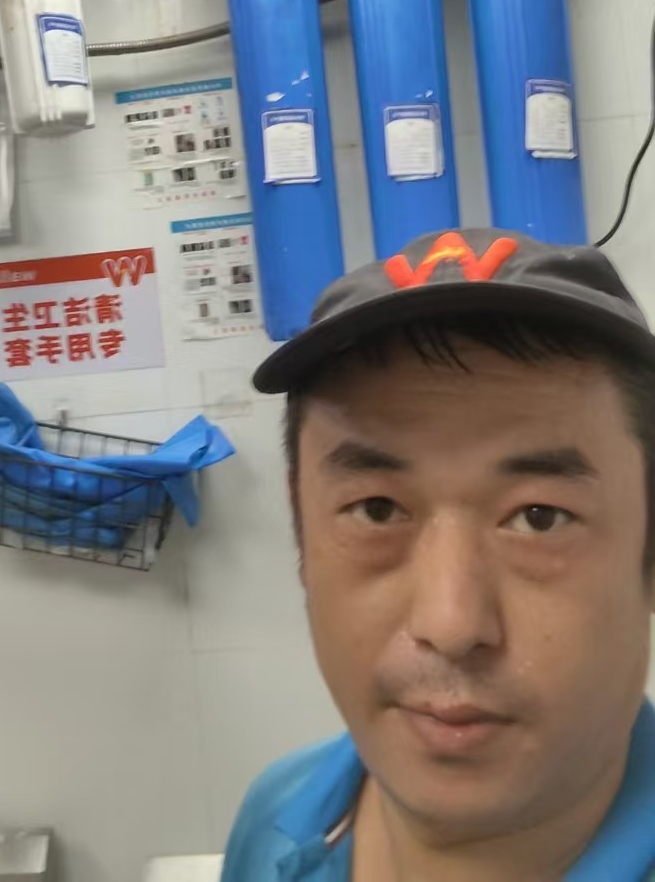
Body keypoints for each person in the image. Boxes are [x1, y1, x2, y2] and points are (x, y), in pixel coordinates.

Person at [221, 228, 655, 882]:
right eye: (376, 509)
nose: (450, 624)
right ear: (301, 528)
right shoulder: (278, 814)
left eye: (539, 517)